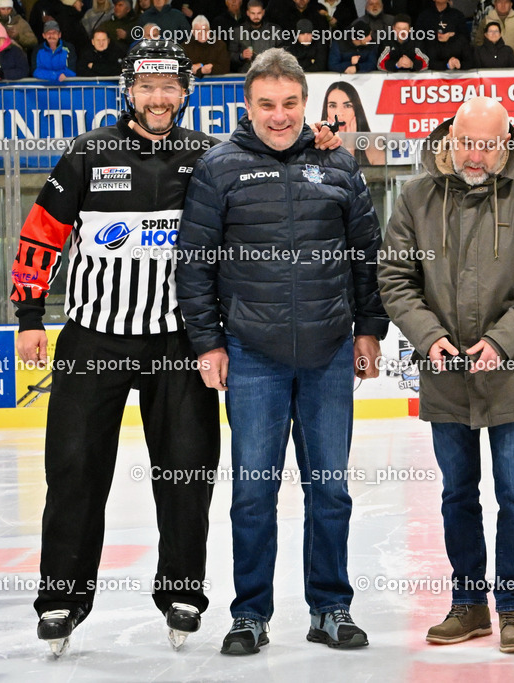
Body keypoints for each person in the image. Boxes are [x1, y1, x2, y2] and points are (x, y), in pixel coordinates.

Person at [12, 39, 220, 658]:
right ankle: (60, 599)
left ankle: (182, 592)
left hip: (179, 343)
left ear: (185, 92)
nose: (159, 98)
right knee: (75, 471)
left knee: (187, 470)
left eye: (170, 87)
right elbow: (40, 236)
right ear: (128, 90)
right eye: (147, 87)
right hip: (92, 338)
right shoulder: (87, 152)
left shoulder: (208, 157)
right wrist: (29, 317)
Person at [176, 47, 387, 657]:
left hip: (327, 352)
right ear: (247, 104)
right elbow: (194, 262)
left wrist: (369, 330)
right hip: (252, 355)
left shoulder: (337, 163)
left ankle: (331, 608)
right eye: (266, 104)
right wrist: (208, 341)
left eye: (290, 103)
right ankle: (250, 614)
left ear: (305, 101)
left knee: (330, 489)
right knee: (252, 491)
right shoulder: (219, 167)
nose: (279, 116)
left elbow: (366, 256)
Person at [378, 97, 514, 654]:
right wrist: (427, 336)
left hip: (512, 372)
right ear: (450, 137)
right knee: (457, 494)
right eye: (468, 142)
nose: (477, 155)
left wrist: (501, 341)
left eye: (489, 144)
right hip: (444, 374)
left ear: (506, 142)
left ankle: (512, 607)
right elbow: (394, 277)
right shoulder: (416, 198)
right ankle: (468, 605)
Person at [321, 80, 386, 166]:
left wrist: (349, 150)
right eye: (332, 106)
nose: (340, 113)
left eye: (347, 106)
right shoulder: (315, 146)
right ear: (326, 110)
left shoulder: (374, 152)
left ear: (356, 110)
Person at [228, 0, 286, 72]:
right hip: (247, 74)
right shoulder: (238, 31)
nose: (256, 16)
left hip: (270, 73)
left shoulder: (274, 30)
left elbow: (283, 54)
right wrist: (241, 56)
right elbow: (230, 55)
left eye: (259, 13)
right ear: (248, 13)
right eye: (253, 13)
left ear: (263, 12)